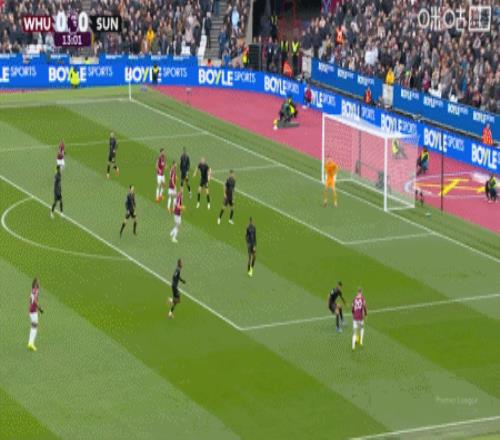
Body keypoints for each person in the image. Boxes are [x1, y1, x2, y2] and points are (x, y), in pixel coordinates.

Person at [28, 278, 43, 351]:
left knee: (34, 325)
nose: (39, 283)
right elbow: (34, 301)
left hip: (31, 310)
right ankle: (31, 343)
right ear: (35, 284)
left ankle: (30, 343)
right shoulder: (35, 291)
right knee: (34, 326)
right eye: (38, 282)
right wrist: (40, 308)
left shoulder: (33, 290)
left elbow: (30, 299)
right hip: (33, 311)